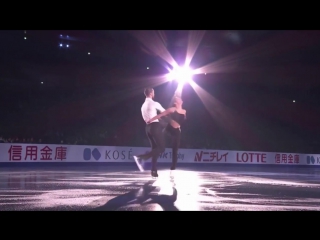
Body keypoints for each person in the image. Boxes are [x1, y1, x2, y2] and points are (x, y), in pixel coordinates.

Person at [147, 95, 186, 176]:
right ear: (175, 102)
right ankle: (153, 168)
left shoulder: (185, 112)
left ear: (181, 102)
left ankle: (173, 168)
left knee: (175, 150)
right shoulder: (172, 109)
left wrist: (178, 126)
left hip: (177, 131)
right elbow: (160, 115)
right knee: (160, 148)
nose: (177, 100)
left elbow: (182, 122)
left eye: (179, 99)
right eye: (176, 99)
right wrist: (151, 119)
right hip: (168, 129)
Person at [133, 87, 166, 178]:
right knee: (162, 148)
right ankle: (142, 157)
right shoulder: (154, 103)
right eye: (153, 92)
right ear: (151, 93)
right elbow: (164, 112)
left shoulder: (143, 106)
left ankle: (154, 171)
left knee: (155, 150)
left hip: (148, 128)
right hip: (155, 127)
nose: (154, 94)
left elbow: (148, 117)